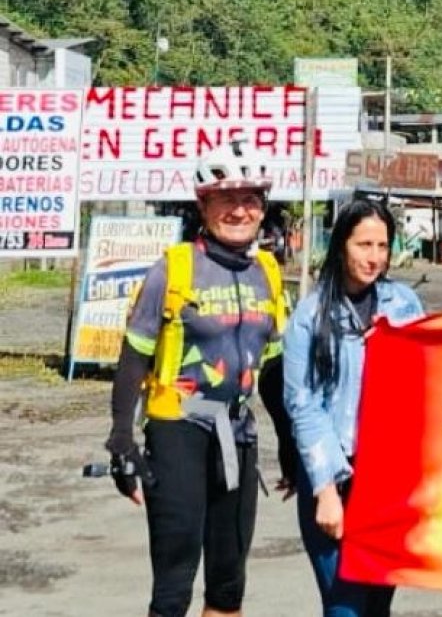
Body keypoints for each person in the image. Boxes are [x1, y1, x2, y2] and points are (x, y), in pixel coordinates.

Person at [104, 139, 288, 617]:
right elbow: (133, 358)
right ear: (203, 204)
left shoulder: (266, 273)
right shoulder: (175, 269)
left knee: (229, 586)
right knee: (173, 587)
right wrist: (122, 441)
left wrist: (289, 443)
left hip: (239, 437)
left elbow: (271, 369)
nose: (240, 210)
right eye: (226, 198)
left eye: (250, 199)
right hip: (177, 429)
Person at [279, 198, 425, 616]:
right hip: (336, 477)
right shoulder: (309, 316)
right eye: (364, 245)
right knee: (345, 606)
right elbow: (302, 406)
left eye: (382, 246)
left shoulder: (403, 304)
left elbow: (430, 370)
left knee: (378, 606)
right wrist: (326, 491)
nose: (374, 257)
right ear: (341, 244)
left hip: (390, 481)